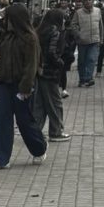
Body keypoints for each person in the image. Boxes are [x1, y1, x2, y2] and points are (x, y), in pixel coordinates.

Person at [0, 2, 47, 170]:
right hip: (5, 83)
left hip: (22, 85)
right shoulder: (7, 37)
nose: (6, 21)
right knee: (3, 120)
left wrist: (26, 88)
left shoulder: (30, 39)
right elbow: (2, 59)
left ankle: (39, 147)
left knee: (24, 121)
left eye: (8, 18)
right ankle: (1, 158)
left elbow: (31, 66)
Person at [33, 8, 70, 142]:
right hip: (51, 72)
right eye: (63, 18)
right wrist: (60, 62)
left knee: (40, 104)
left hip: (40, 71)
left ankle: (35, 131)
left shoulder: (40, 31)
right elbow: (52, 52)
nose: (64, 21)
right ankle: (56, 131)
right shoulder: (55, 32)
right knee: (55, 103)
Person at [70, 0, 104, 87]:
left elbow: (100, 25)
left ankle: (89, 78)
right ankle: (82, 79)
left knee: (91, 59)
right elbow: (73, 25)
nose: (88, 2)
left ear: (93, 1)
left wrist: (101, 38)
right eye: (86, 0)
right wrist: (79, 35)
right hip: (83, 41)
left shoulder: (98, 11)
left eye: (90, 0)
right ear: (83, 2)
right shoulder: (78, 12)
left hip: (95, 41)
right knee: (82, 61)